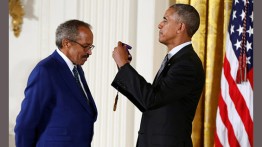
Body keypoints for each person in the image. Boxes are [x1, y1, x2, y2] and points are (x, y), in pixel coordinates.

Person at [112, 4, 205, 147]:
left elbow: (152, 99)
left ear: (180, 27)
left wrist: (124, 65)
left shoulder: (187, 64)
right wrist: (124, 67)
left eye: (165, 20)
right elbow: (149, 104)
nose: (159, 25)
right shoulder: (176, 59)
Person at [15, 19, 98, 147]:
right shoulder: (45, 71)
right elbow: (25, 124)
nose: (89, 52)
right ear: (67, 43)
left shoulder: (77, 70)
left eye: (90, 47)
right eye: (85, 46)